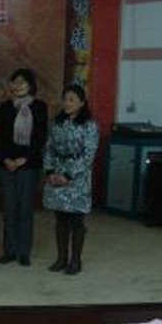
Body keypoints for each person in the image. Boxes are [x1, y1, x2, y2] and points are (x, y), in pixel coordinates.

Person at [0, 68, 48, 267]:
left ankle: (24, 251)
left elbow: (40, 137)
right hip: (6, 165)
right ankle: (9, 250)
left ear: (31, 85)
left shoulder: (39, 107)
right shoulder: (4, 107)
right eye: (15, 82)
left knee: (25, 209)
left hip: (28, 165)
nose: (18, 86)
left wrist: (24, 159)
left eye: (23, 82)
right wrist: (7, 159)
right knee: (9, 209)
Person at [43, 85, 99, 275]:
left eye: (72, 99)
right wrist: (50, 171)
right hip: (56, 174)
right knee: (60, 219)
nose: (67, 103)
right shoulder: (57, 122)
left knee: (76, 219)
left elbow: (88, 154)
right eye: (65, 99)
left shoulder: (89, 124)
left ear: (82, 102)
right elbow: (49, 148)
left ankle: (75, 260)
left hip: (77, 178)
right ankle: (61, 258)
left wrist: (68, 175)